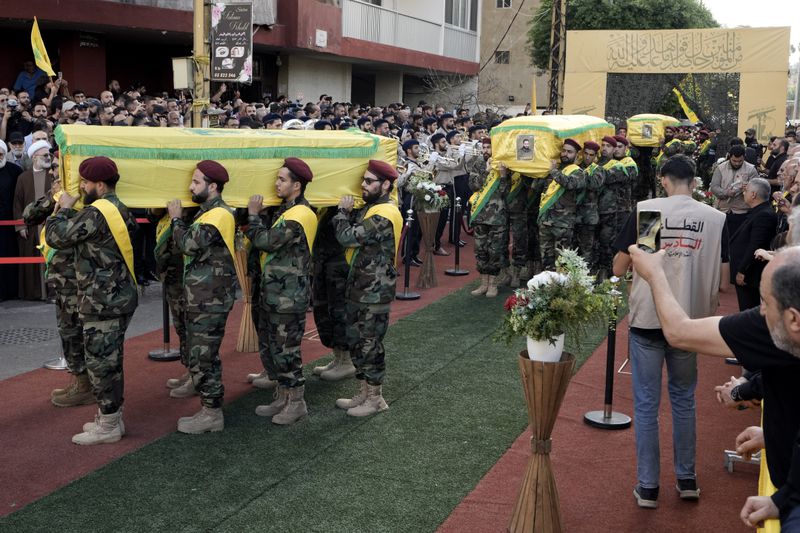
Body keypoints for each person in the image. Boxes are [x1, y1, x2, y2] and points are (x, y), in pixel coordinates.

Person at [626, 243, 800, 530]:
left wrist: (655, 274)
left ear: (793, 319)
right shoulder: (784, 325)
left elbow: (679, 332)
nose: (759, 312)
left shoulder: (769, 327)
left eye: (764, 304)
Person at [612, 154, 729, 509]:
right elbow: (723, 283)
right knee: (683, 400)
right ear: (695, 182)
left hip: (649, 317)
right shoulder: (714, 218)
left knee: (646, 406)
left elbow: (624, 265)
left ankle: (648, 487)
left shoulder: (650, 211)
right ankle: (686, 479)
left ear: (664, 179)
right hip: (690, 321)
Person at [45, 156, 138, 444]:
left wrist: (61, 209)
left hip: (102, 301)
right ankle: (110, 419)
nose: (82, 187)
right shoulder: (117, 208)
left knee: (102, 365)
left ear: (100, 184)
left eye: (85, 182)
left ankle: (109, 424)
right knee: (109, 361)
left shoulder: (98, 213)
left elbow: (56, 236)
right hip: (113, 297)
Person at [245, 158, 317, 425]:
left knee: (287, 351)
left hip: (289, 297)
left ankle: (296, 402)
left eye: (282, 179)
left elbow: (266, 241)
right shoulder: (286, 210)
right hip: (275, 292)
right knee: (276, 348)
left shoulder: (298, 215)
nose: (276, 183)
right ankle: (283, 396)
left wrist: (253, 215)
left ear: (297, 185)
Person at [168, 160, 237, 434]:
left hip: (210, 299)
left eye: (195, 182)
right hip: (203, 296)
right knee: (202, 354)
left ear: (213, 186)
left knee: (204, 356)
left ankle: (212, 413)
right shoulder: (207, 212)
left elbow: (188, 244)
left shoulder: (217, 215)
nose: (189, 186)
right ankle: (209, 407)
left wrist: (175, 217)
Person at [333, 160, 403, 417]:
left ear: (385, 185)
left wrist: (341, 213)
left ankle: (376, 398)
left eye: (369, 181)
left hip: (375, 291)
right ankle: (363, 392)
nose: (363, 185)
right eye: (363, 180)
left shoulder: (384, 213)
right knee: (356, 340)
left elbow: (349, 237)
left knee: (370, 343)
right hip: (361, 285)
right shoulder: (372, 208)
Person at [729, 177, 778, 311]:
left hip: (750, 275)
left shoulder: (764, 215)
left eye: (746, 191)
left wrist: (742, 270)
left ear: (753, 194)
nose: (743, 193)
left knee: (748, 309)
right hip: (749, 273)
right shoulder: (759, 212)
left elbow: (756, 245)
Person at [467, 138, 509, 297]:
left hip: (497, 217)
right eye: (483, 147)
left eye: (488, 148)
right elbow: (473, 186)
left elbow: (506, 193)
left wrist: (503, 176)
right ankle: (483, 283)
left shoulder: (502, 166)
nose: (485, 150)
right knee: (480, 250)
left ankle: (493, 284)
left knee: (495, 251)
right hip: (480, 214)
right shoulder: (477, 164)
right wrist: (486, 170)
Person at [538, 138, 586, 271]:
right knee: (546, 259)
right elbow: (538, 188)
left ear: (576, 155)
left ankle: (561, 289)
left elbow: (570, 184)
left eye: (569, 152)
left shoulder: (578, 172)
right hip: (546, 221)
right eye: (563, 151)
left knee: (562, 261)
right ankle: (547, 287)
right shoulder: (553, 170)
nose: (565, 154)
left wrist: (553, 172)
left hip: (563, 223)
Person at [13, 140, 52, 300]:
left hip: (50, 226)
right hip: (30, 227)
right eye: (45, 155)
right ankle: (34, 293)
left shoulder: (53, 175)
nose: (48, 157)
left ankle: (51, 293)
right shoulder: (23, 177)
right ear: (35, 157)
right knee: (32, 261)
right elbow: (17, 203)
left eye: (49, 154)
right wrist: (20, 226)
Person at [709, 144, 759, 237]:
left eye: (740, 161)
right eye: (734, 161)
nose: (737, 163)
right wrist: (725, 193)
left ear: (744, 157)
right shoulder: (720, 168)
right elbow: (714, 187)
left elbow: (756, 190)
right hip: (722, 211)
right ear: (729, 157)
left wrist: (747, 189)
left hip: (741, 212)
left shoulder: (751, 169)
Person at [575, 140, 605, 272]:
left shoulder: (598, 170)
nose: (587, 157)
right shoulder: (576, 167)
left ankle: (587, 276)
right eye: (585, 154)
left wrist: (579, 172)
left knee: (587, 249)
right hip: (574, 214)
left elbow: (593, 184)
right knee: (573, 248)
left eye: (591, 155)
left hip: (589, 216)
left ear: (595, 156)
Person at [0, 141, 23, 301]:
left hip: (8, 223)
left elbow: (18, 198)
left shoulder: (15, 170)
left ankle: (9, 291)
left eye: (1, 154)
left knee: (8, 255)